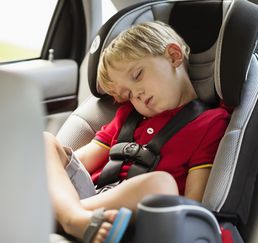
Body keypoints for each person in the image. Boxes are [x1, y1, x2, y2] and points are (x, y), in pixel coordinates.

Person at [44, 21, 230, 243]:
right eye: (128, 94)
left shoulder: (210, 122)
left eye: (138, 74)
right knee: (44, 141)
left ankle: (57, 214)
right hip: (91, 201)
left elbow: (194, 202)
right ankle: (71, 216)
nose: (137, 95)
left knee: (161, 183)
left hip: (138, 215)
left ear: (173, 56)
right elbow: (81, 161)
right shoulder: (126, 117)